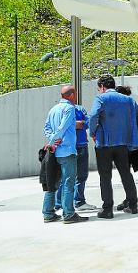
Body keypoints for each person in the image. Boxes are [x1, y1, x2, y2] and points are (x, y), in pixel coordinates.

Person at [89, 74, 138, 219]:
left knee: (105, 176)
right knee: (126, 174)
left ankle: (107, 209)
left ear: (102, 87)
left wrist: (93, 132)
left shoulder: (101, 99)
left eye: (99, 88)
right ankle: (132, 205)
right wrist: (131, 129)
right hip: (122, 144)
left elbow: (93, 116)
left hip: (104, 143)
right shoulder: (128, 100)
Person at [42, 85, 88, 224]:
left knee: (52, 181)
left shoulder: (53, 109)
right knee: (69, 182)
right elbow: (64, 126)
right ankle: (68, 214)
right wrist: (56, 140)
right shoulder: (69, 109)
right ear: (72, 95)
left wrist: (51, 142)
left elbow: (47, 128)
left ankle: (48, 213)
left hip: (53, 151)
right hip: (66, 150)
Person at [54, 102, 96, 212]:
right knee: (64, 176)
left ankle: (79, 201)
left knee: (82, 175)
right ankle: (59, 203)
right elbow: (60, 126)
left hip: (81, 145)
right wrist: (77, 124)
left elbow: (88, 123)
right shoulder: (60, 110)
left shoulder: (80, 109)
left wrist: (73, 124)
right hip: (67, 147)